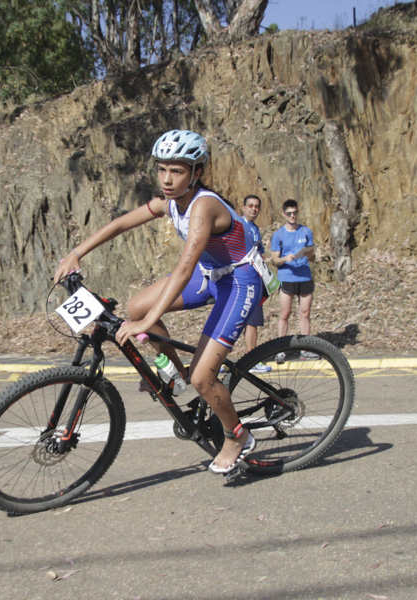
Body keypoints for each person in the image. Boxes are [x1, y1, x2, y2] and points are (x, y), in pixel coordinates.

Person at [53, 129, 263, 475]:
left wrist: (146, 324)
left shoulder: (203, 206)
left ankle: (237, 435)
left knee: (202, 378)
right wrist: (75, 254)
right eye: (162, 169)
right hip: (212, 273)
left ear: (196, 173)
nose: (167, 179)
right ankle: (178, 377)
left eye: (177, 171)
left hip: (239, 281)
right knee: (135, 307)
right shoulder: (171, 201)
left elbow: (183, 269)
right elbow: (122, 222)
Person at [269, 199, 316, 360]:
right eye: (289, 213)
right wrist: (284, 259)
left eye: (294, 213)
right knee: (285, 313)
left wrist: (310, 254)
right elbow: (274, 261)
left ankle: (305, 348)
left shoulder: (305, 232)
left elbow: (313, 256)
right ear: (283, 214)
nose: (292, 216)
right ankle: (280, 349)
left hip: (304, 276)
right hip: (287, 277)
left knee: (305, 313)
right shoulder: (279, 235)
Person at [240, 195, 270, 374]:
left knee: (252, 322)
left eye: (257, 206)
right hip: (242, 279)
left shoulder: (255, 229)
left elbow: (260, 254)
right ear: (243, 207)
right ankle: (217, 359)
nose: (253, 209)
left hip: (256, 278)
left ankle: (251, 359)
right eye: (250, 206)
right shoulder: (238, 225)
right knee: (232, 322)